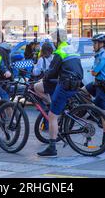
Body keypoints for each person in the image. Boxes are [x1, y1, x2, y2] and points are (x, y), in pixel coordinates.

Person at [37, 28, 83, 157]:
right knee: (60, 107)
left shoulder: (59, 52)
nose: (52, 42)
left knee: (52, 116)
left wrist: (44, 77)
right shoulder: (71, 48)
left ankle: (52, 147)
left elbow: (52, 71)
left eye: (53, 39)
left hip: (65, 84)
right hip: (76, 82)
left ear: (57, 40)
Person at [82, 34, 105, 143]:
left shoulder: (103, 56)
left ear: (101, 44)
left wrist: (92, 71)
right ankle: (93, 109)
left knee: (103, 112)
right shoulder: (98, 54)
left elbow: (94, 72)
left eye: (95, 43)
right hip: (98, 83)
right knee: (82, 91)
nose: (93, 45)